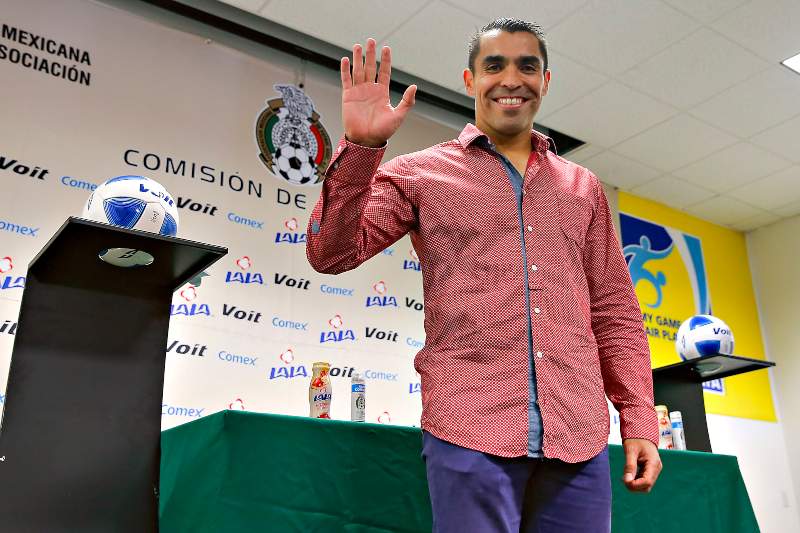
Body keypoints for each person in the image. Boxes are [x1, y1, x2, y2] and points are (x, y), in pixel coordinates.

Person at [306, 17, 661, 533]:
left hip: (579, 435)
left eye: (527, 66)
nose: (511, 79)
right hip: (469, 426)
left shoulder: (583, 187)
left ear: (546, 81)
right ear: (470, 81)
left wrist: (639, 417)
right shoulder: (421, 173)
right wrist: (361, 149)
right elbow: (330, 253)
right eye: (494, 65)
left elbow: (615, 313)